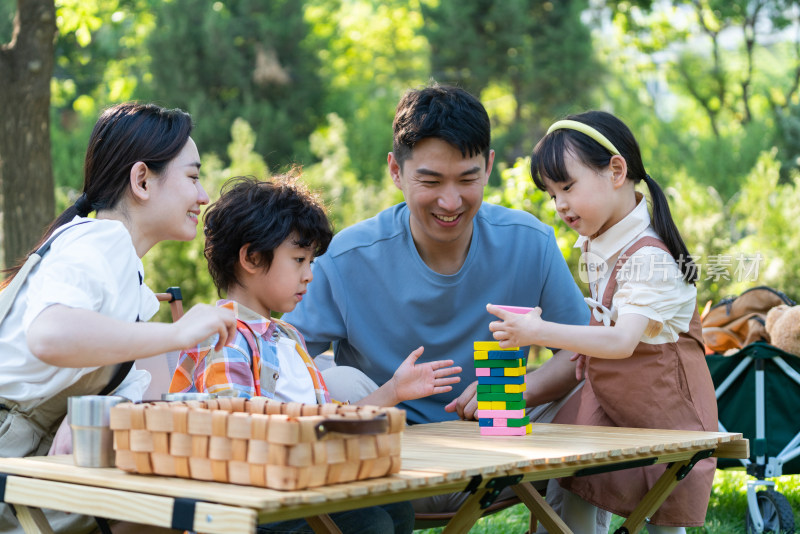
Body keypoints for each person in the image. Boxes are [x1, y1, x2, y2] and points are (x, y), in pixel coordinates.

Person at [282, 83, 610, 530]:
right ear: (396, 171)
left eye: (467, 179)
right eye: (431, 181)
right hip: (388, 458)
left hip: (501, 445)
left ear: (490, 167)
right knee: (334, 379)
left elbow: (581, 350)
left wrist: (518, 392)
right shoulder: (346, 256)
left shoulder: (528, 241)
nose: (450, 202)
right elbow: (280, 363)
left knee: (601, 383)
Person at [168, 174, 461, 534]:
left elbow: (328, 420)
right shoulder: (224, 336)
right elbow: (235, 432)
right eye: (299, 260)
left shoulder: (287, 336)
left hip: (297, 486)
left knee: (396, 510)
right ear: (252, 257)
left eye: (311, 262)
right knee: (369, 523)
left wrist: (394, 391)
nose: (310, 275)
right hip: (245, 506)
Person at [0, 102, 237, 534]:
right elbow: (49, 334)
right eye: (193, 176)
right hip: (10, 467)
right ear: (142, 180)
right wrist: (177, 333)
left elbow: (120, 386)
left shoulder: (125, 271)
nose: (203, 196)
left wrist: (92, 409)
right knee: (180, 500)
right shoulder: (99, 240)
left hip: (24, 463)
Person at [487, 111, 718, 533]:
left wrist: (537, 332)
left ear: (616, 171)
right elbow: (603, 325)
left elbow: (623, 341)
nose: (560, 205)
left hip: (662, 404)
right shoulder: (599, 243)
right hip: (612, 396)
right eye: (552, 194)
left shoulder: (649, 257)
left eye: (568, 187)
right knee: (578, 484)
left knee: (662, 511)